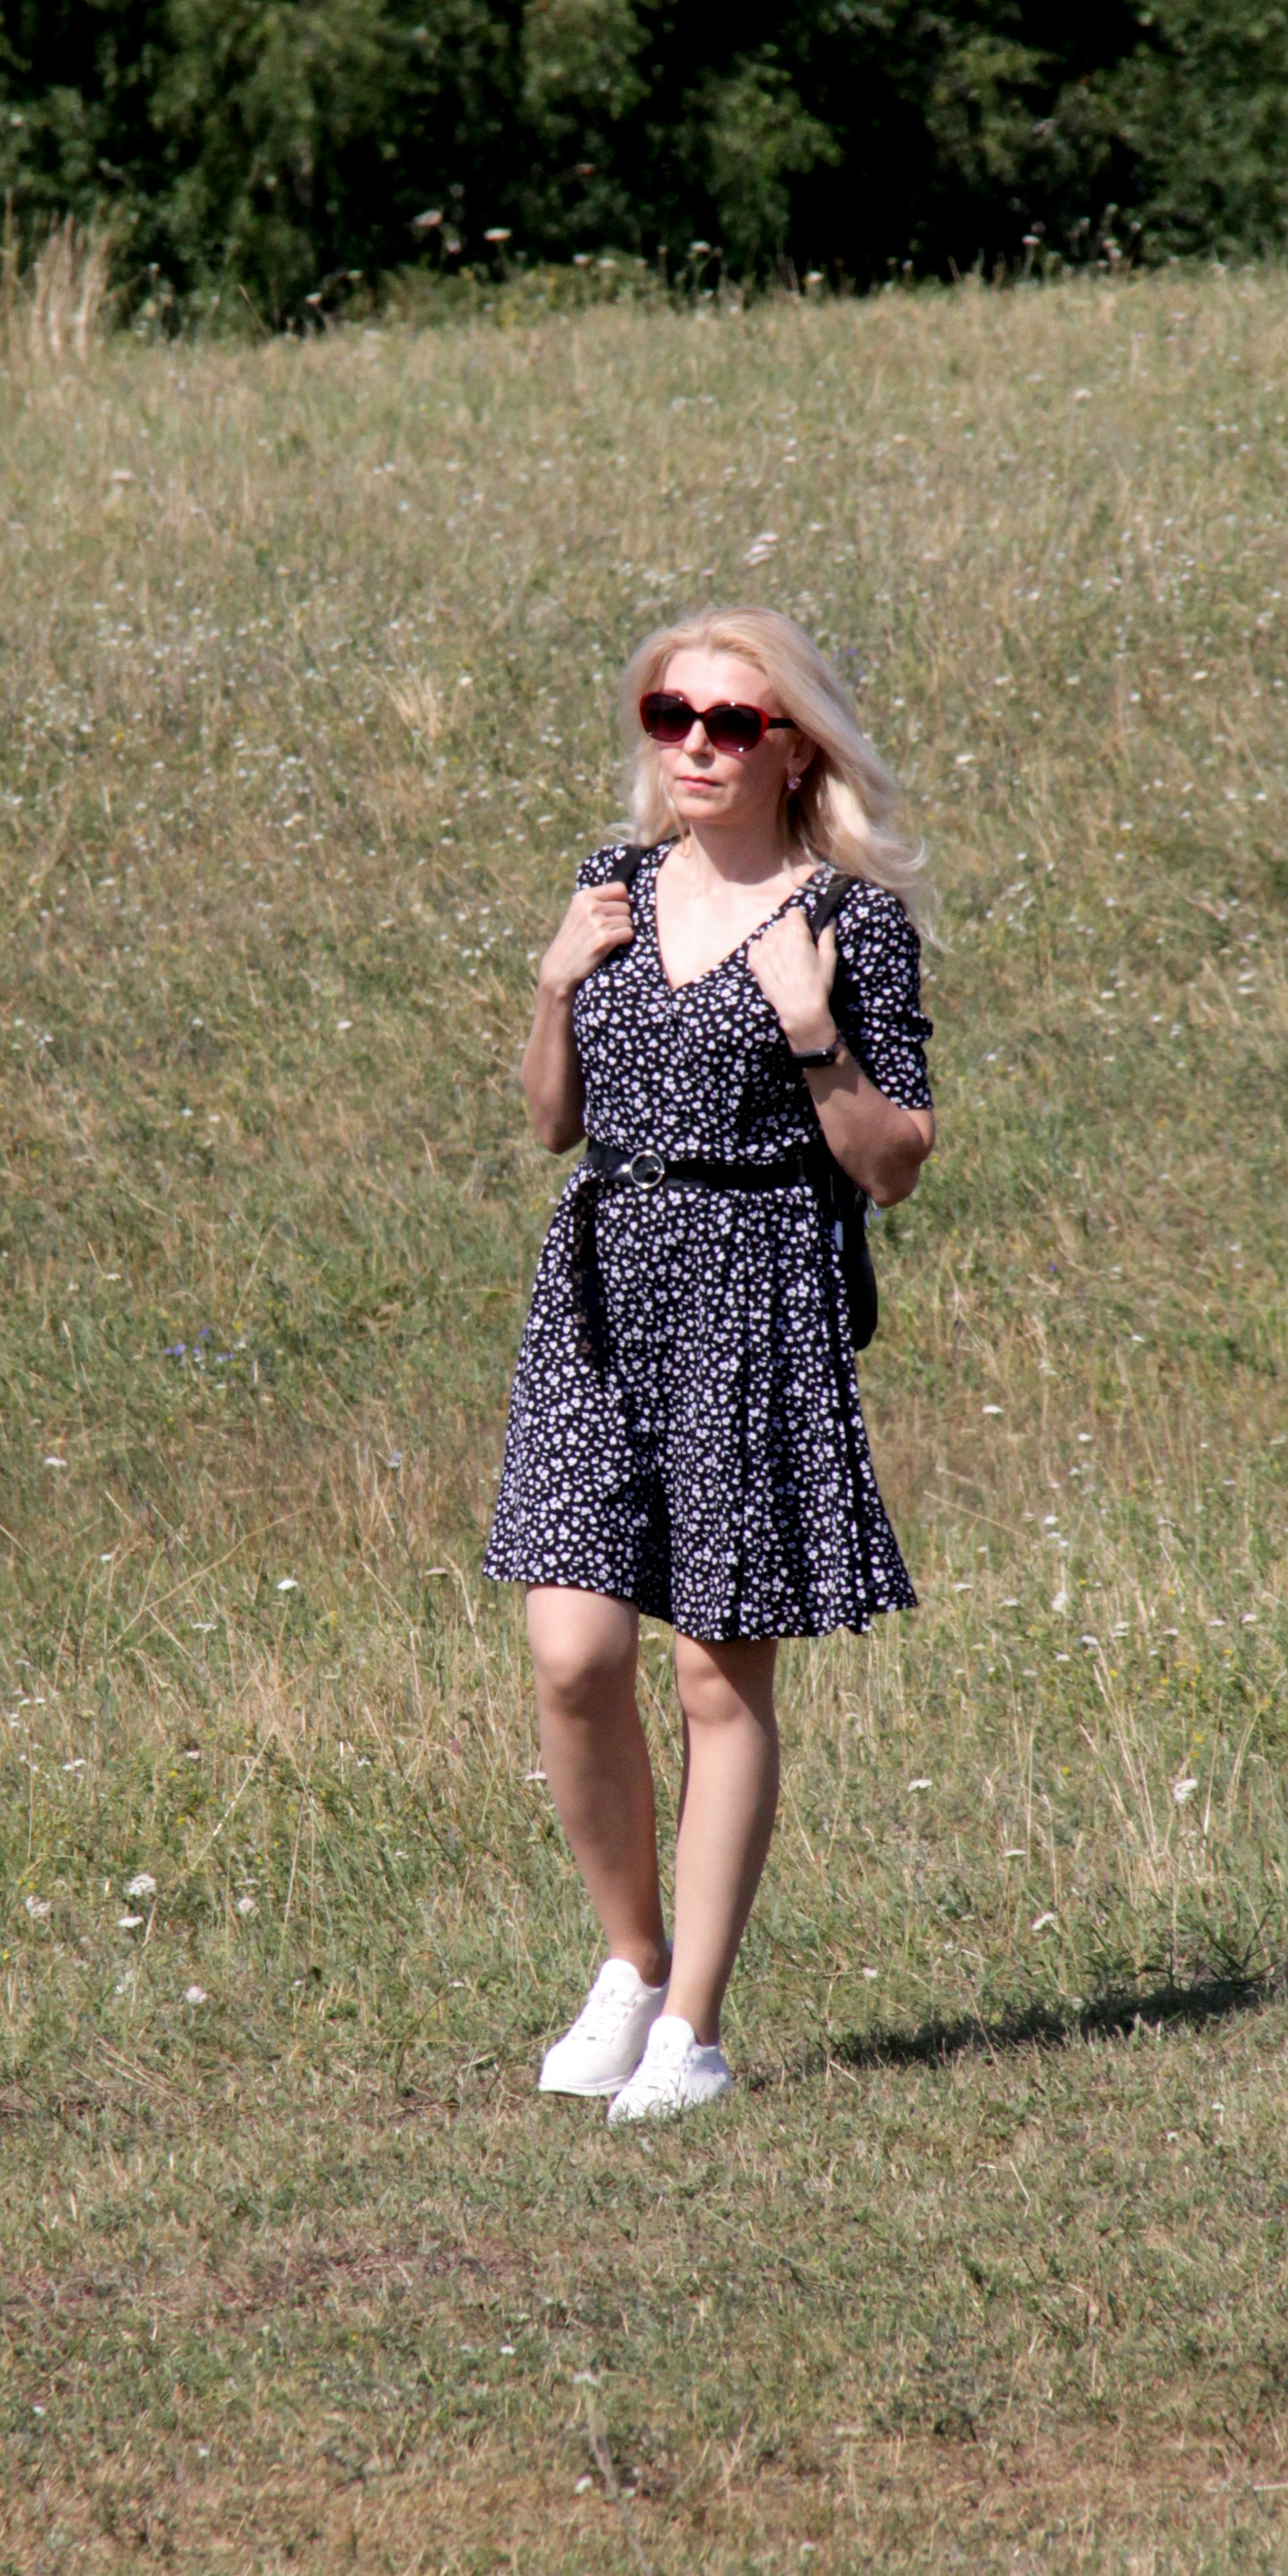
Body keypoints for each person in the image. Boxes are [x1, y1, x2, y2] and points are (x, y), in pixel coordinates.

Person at [482, 607, 935, 2122]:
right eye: (670, 715)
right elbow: (552, 1122)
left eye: (730, 724)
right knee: (571, 1658)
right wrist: (552, 985)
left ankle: (694, 2028)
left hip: (758, 1291)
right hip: (601, 1283)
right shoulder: (608, 891)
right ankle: (628, 1961)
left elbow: (893, 1167)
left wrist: (815, 1035)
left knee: (714, 1675)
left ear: (793, 748)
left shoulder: (850, 924)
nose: (692, 745)